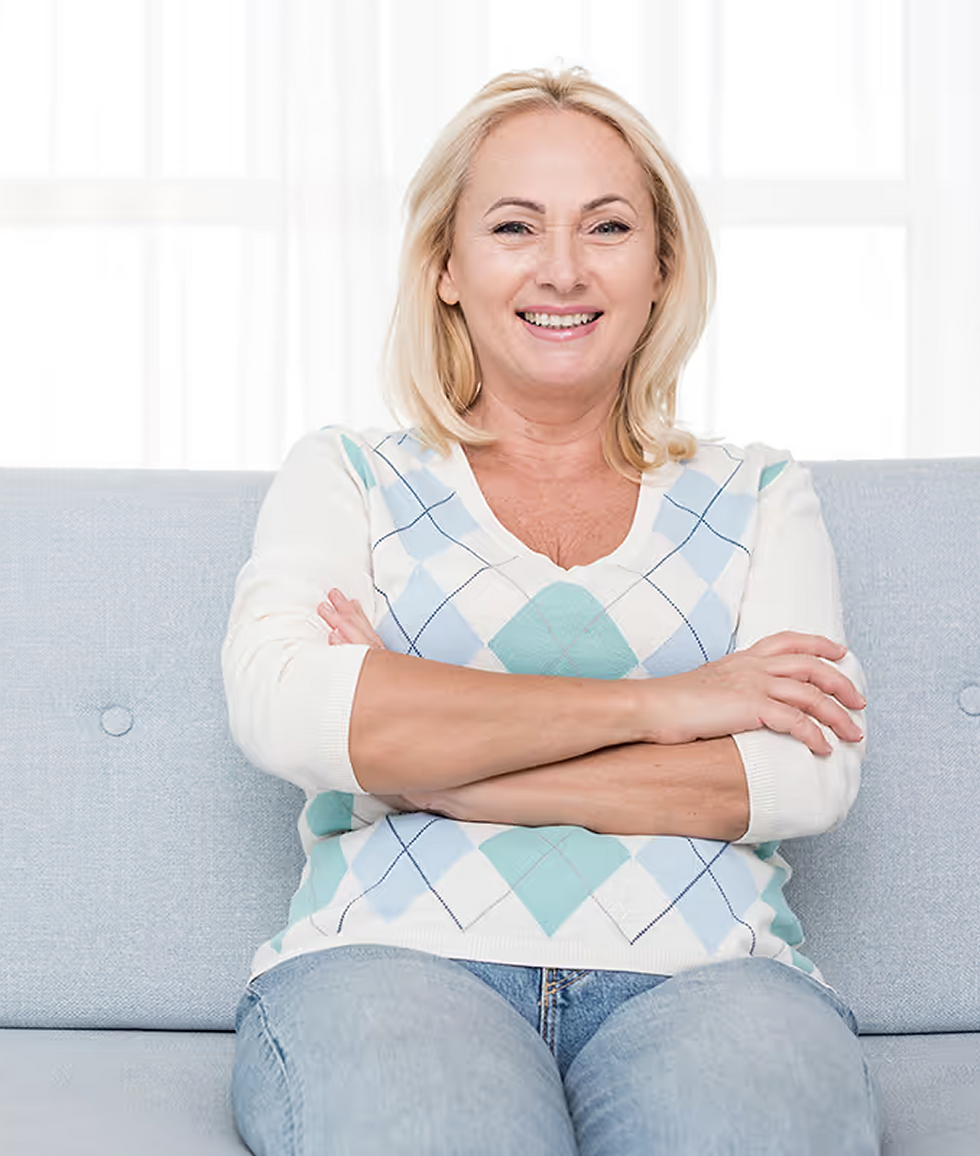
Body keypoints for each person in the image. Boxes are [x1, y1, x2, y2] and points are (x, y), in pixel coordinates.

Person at [223, 67, 880, 1155]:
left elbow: (801, 773)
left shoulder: (761, 492)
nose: (563, 268)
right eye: (514, 225)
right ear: (446, 265)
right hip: (393, 962)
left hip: (713, 975)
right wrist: (674, 704)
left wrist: (428, 765)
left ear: (662, 267)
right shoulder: (348, 474)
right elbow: (291, 711)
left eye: (607, 226)